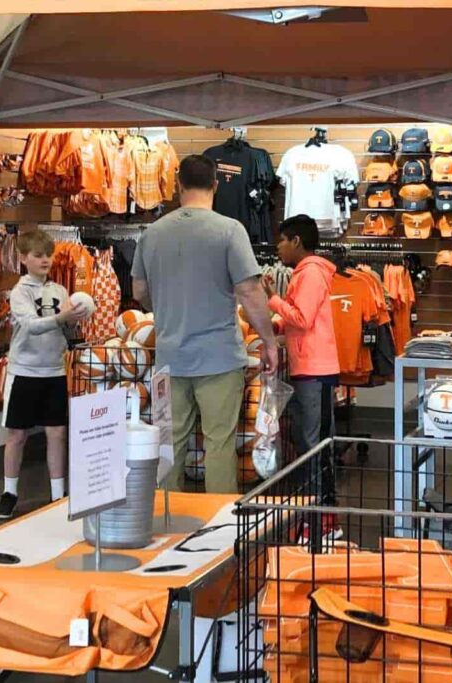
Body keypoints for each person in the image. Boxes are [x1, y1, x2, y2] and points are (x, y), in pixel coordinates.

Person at [133, 154, 279, 493]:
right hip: (219, 357)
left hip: (170, 356)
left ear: (177, 185)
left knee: (171, 445)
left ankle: (167, 523)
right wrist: (268, 340)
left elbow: (139, 290)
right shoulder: (229, 230)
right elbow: (249, 290)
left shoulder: (152, 233)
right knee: (219, 444)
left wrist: (167, 306)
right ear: (216, 184)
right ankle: (218, 532)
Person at [0, 231, 90, 519]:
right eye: (38, 255)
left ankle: (57, 494)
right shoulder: (19, 292)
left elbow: (66, 331)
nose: (45, 259)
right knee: (17, 435)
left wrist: (76, 320)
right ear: (23, 259)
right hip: (24, 371)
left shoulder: (60, 291)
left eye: (48, 254)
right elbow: (32, 325)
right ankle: (9, 492)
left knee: (57, 433)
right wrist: (62, 318)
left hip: (54, 371)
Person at [263, 215, 342, 538]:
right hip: (308, 367)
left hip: (316, 369)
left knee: (315, 443)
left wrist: (273, 300)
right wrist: (278, 325)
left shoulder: (310, 273)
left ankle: (323, 518)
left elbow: (303, 317)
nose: (279, 247)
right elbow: (298, 318)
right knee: (309, 441)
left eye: (282, 240)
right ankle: (316, 513)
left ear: (296, 241)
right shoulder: (305, 273)